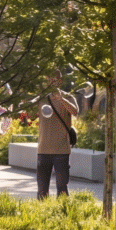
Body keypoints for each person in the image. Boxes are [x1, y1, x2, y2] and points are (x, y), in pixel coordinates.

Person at [36, 70, 79, 199]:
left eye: (53, 80)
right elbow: (31, 115)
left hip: (62, 150)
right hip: (43, 150)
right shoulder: (41, 98)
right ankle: (42, 210)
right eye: (48, 80)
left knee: (62, 188)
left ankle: (63, 209)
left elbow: (75, 112)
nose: (51, 83)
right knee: (42, 190)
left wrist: (61, 99)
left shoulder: (68, 97)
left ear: (59, 81)